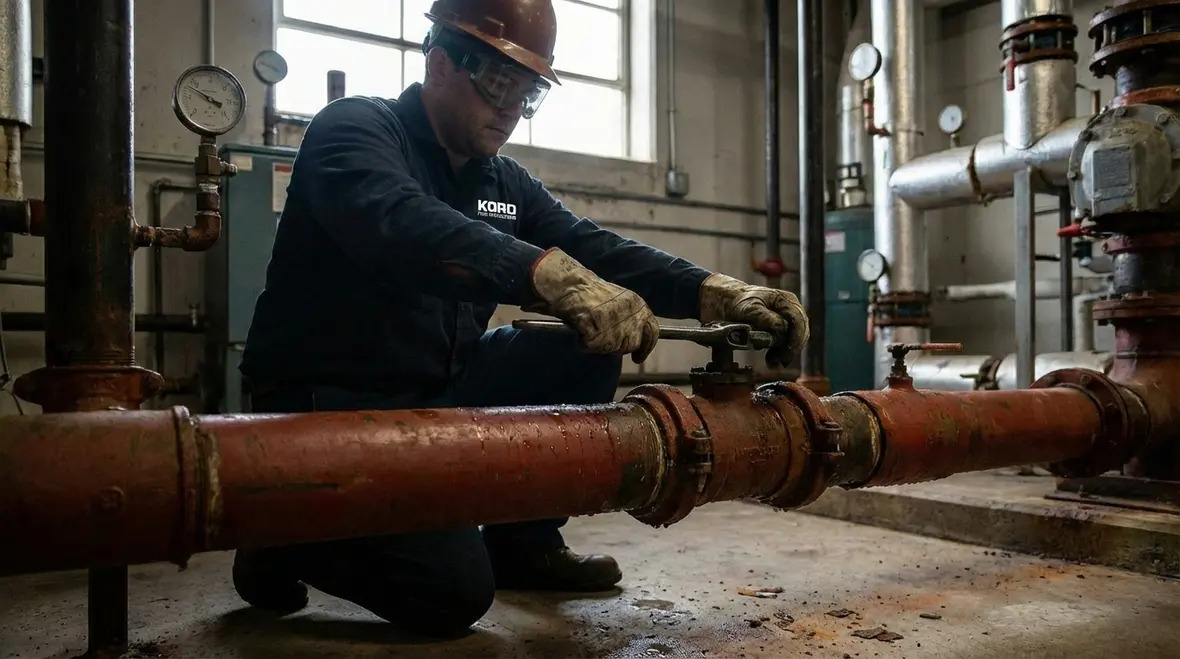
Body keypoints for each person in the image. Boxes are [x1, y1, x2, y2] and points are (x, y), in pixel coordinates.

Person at [233, 0, 809, 638]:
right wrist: (546, 276)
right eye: (499, 84)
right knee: (450, 592)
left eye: (527, 93)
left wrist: (712, 291)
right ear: (440, 62)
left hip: (437, 387)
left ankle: (524, 543)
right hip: (329, 401)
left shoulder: (501, 179)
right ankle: (279, 532)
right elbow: (397, 222)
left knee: (579, 346)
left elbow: (592, 247)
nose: (510, 109)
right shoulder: (355, 130)